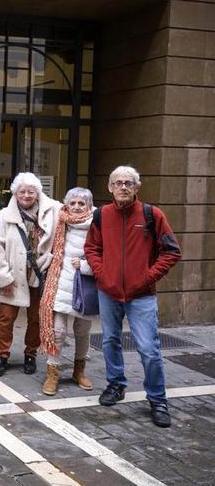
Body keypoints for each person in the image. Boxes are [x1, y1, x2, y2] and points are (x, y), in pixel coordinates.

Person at [85, 166, 181, 427]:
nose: (123, 187)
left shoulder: (152, 214)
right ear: (110, 187)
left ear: (137, 188)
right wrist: (103, 275)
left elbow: (172, 251)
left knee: (149, 349)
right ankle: (116, 384)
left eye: (129, 183)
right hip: (109, 292)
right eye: (118, 183)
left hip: (142, 295)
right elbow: (92, 248)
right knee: (110, 341)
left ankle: (158, 399)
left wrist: (147, 277)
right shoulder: (102, 215)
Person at [0, 172, 59, 377]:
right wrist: (3, 277)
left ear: (38, 194)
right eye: (22, 191)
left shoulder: (51, 211)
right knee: (5, 318)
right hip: (13, 275)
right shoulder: (3, 216)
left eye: (31, 191)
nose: (26, 195)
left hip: (39, 274)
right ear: (15, 193)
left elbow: (78, 208)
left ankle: (31, 354)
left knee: (36, 318)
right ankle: (2, 355)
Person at [38, 187, 97, 396]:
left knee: (82, 331)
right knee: (58, 331)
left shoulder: (97, 223)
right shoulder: (60, 220)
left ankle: (79, 371)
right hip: (60, 282)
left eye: (82, 203)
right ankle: (52, 373)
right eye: (73, 203)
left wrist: (86, 266)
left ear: (89, 206)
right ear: (67, 204)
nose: (77, 207)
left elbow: (104, 253)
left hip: (86, 284)